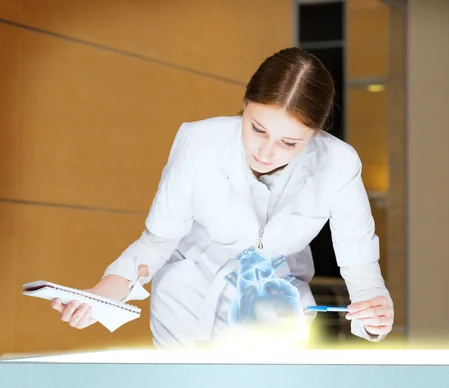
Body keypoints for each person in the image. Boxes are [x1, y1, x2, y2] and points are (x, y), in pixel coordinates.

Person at [51, 47, 394, 348]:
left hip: (277, 308)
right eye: (257, 128)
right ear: (245, 105)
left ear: (315, 134)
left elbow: (360, 264)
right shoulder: (199, 142)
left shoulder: (338, 163)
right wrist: (103, 293)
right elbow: (157, 242)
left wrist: (374, 309)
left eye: (289, 143)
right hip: (190, 299)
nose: (266, 151)